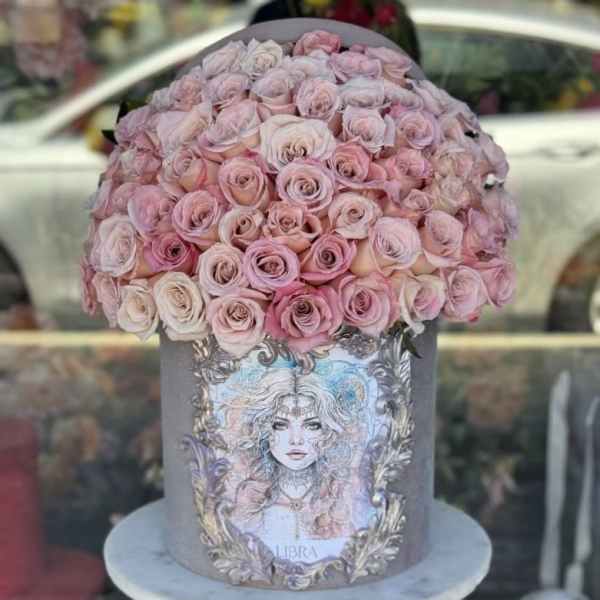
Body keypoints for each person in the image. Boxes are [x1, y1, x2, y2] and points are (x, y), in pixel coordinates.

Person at [224, 367, 370, 560]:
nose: (296, 440)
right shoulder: (245, 500)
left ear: (329, 432)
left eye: (312, 425)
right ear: (262, 431)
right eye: (280, 425)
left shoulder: (346, 499)